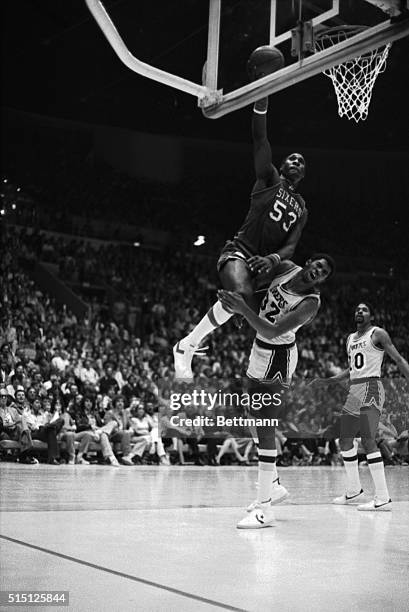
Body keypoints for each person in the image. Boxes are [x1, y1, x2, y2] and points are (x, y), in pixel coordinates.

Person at [174, 95, 308, 380]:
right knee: (242, 301)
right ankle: (187, 346)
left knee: (258, 316)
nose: (296, 161)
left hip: (264, 269)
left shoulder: (303, 208)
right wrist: (262, 100)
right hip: (239, 251)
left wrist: (273, 258)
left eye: (301, 161)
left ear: (304, 173)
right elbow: (260, 139)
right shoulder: (270, 178)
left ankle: (260, 378)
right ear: (282, 166)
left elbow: (291, 246)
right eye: (292, 158)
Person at [218, 253, 335, 528]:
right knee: (252, 416)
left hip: (278, 357)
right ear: (308, 263)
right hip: (258, 351)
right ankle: (274, 486)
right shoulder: (285, 269)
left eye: (324, 272)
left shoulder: (310, 303)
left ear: (323, 280)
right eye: (317, 264)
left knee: (265, 424)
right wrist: (244, 302)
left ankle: (264, 509)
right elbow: (259, 292)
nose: (318, 271)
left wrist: (242, 310)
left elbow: (272, 331)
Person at [311, 302, 409, 511]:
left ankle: (382, 496)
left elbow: (399, 359)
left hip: (372, 386)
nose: (359, 312)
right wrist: (327, 381)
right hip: (355, 391)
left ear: (371, 315)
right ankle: (354, 489)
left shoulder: (378, 333)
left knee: (368, 439)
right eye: (357, 309)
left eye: (364, 309)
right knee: (345, 441)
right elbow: (351, 370)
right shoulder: (349, 339)